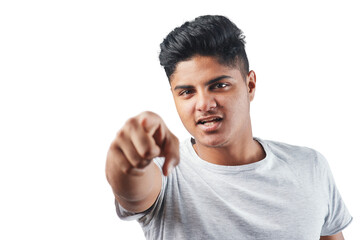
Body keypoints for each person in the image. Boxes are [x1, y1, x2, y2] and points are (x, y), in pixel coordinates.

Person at [105, 15, 352, 240]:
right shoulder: (166, 173)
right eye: (187, 92)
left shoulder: (310, 166)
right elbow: (131, 189)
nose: (203, 104)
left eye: (219, 85)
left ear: (250, 85)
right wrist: (128, 157)